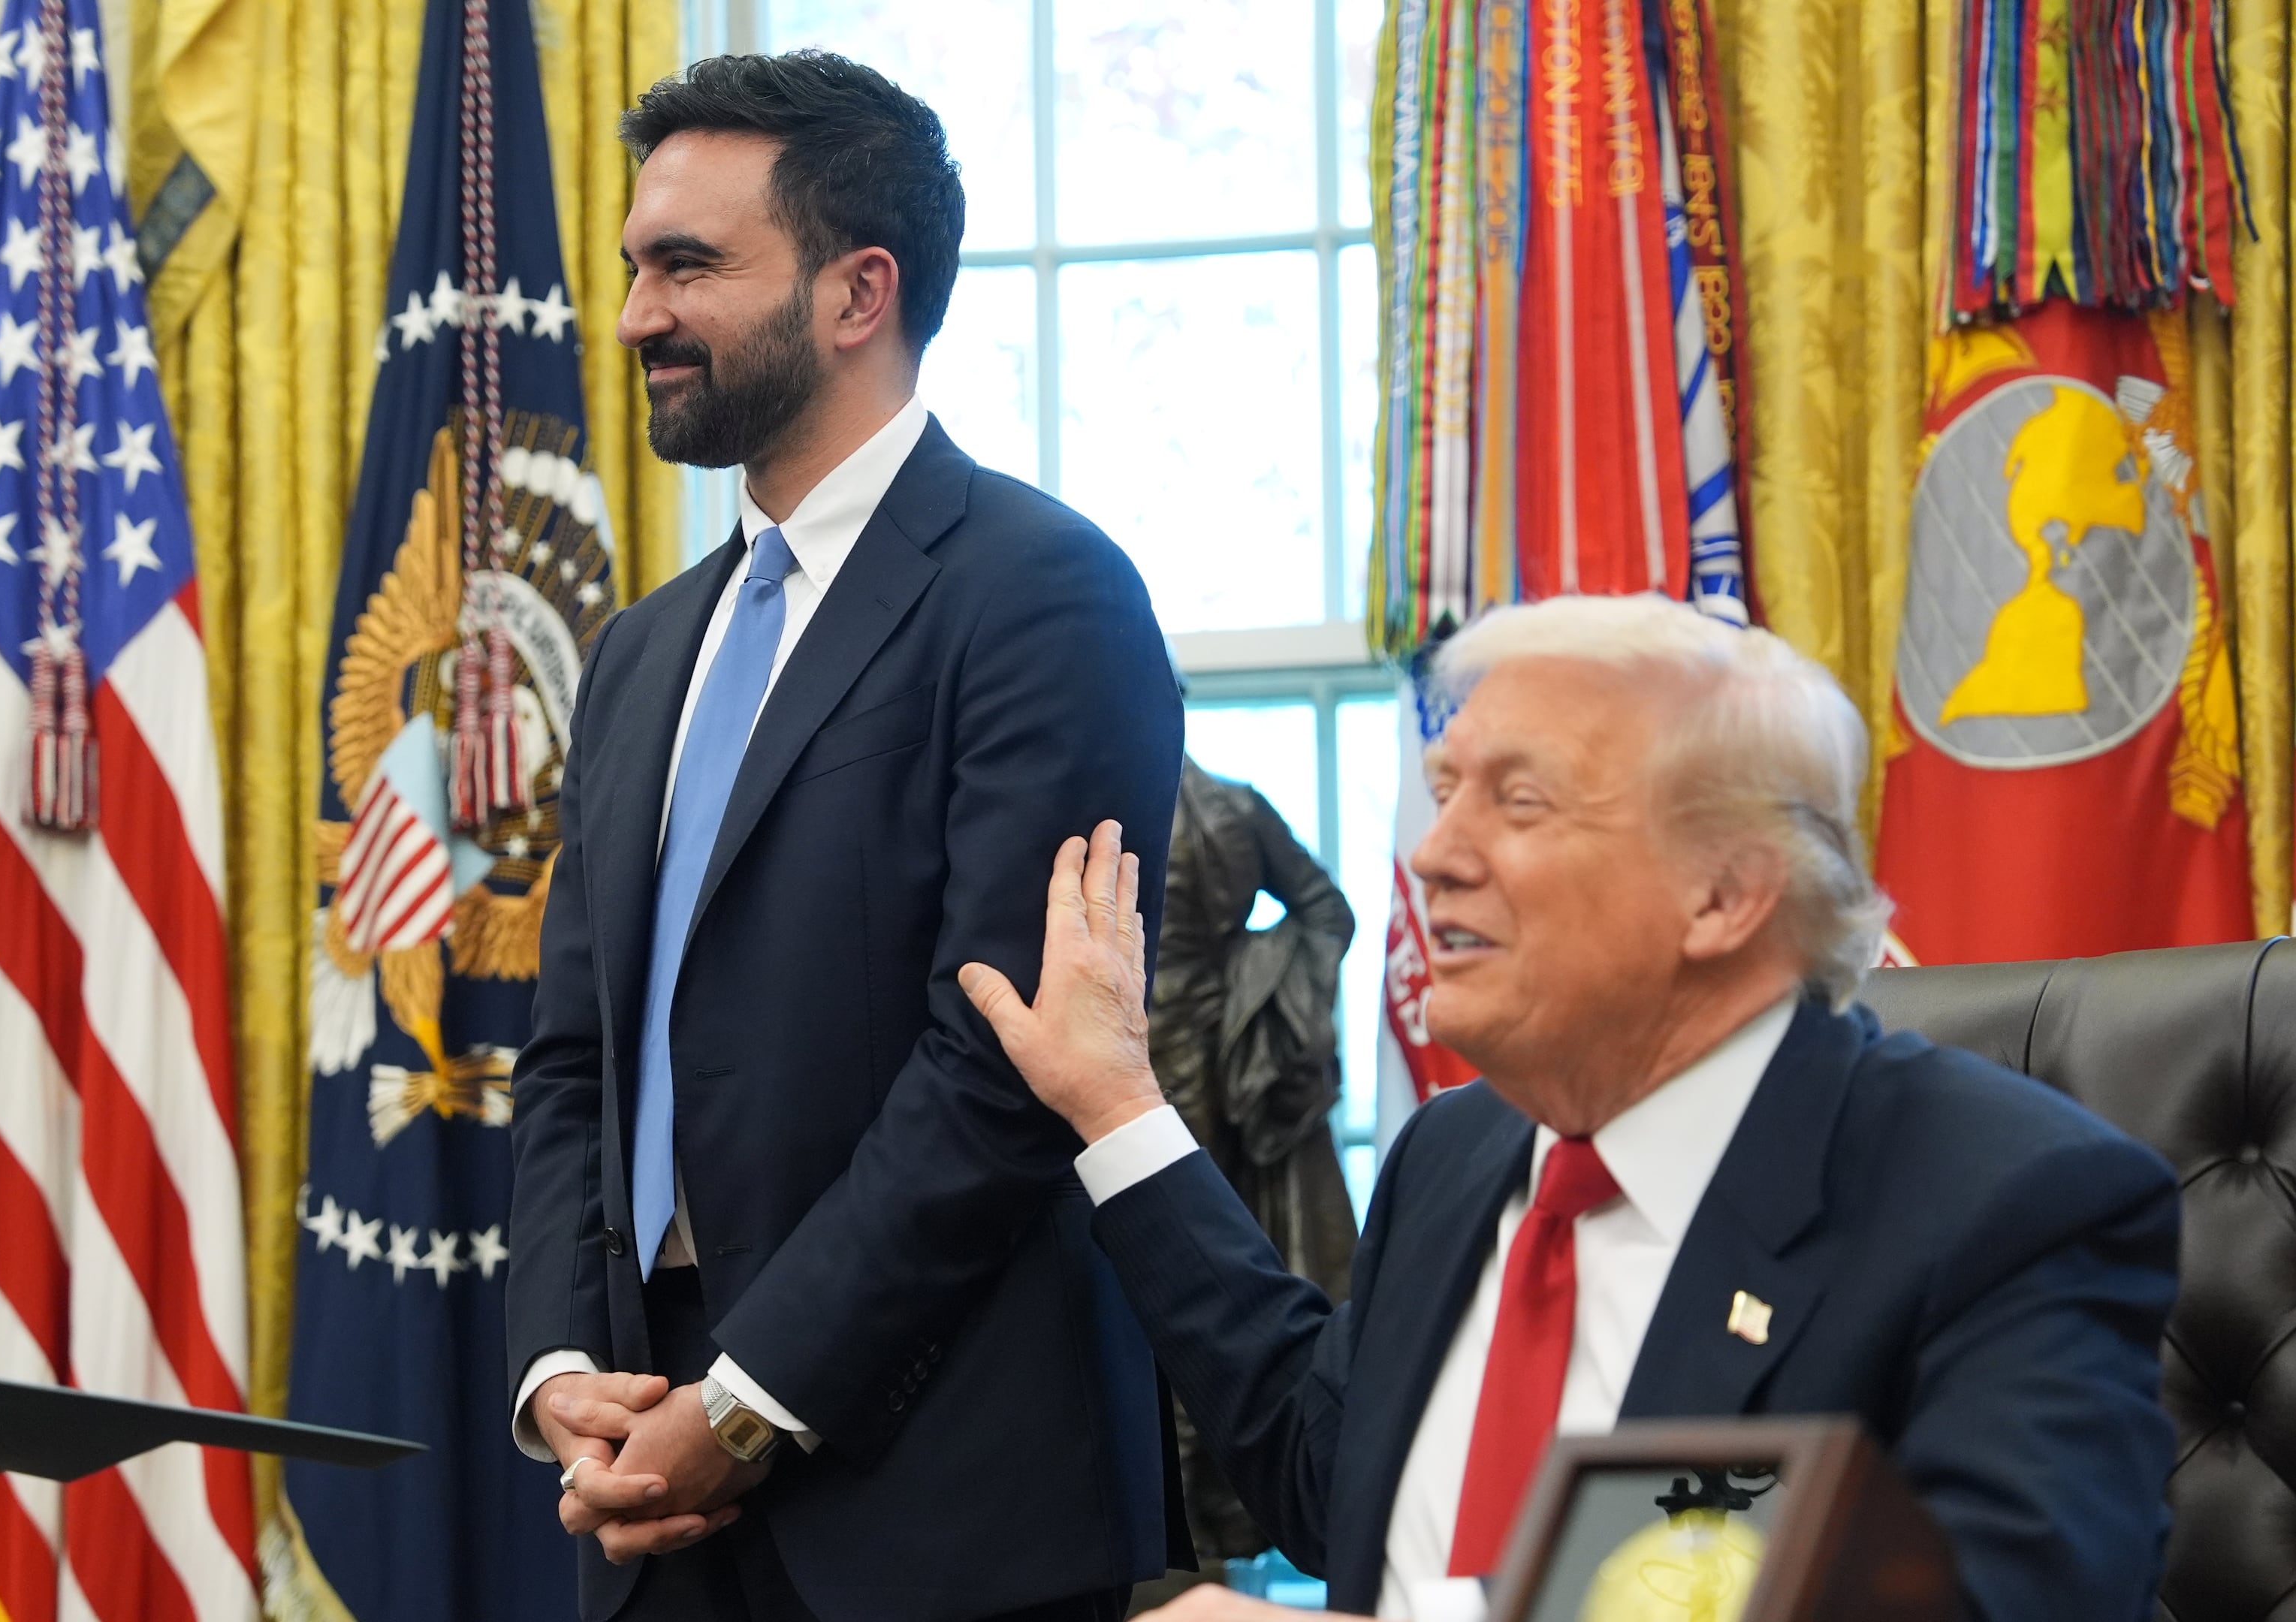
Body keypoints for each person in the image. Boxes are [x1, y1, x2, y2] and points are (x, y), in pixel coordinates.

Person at [961, 594, 2180, 1622]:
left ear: (1725, 893)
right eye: (1445, 793)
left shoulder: (2008, 1203)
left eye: (1520, 803)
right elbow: (1332, 1473)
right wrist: (1117, 1101)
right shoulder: (1457, 1150)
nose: (1435, 854)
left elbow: (1978, 1599)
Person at [499, 50, 1187, 1622]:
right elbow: (570, 1063)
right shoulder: (641, 652)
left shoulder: (1039, 594)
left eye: (689, 267)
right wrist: (564, 1375)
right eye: (632, 268)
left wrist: (742, 1407)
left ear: (857, 291)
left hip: (936, 1508)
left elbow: (1001, 1067)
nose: (635, 318)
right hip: (644, 1502)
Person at [1148, 758, 1358, 1574]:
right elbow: (1326, 913)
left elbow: (1323, 911)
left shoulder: (1230, 806)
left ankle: (1207, 1538)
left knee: (1209, 1289)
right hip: (1121, 1060)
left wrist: (1261, 995)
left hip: (1227, 1077)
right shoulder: (1212, 803)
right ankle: (1176, 1538)